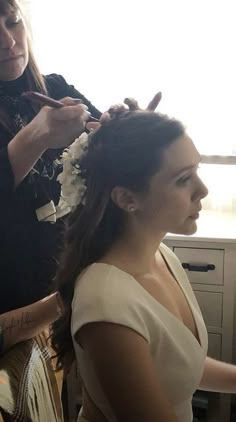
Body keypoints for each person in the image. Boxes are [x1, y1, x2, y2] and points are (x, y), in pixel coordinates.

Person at [52, 108, 236, 422]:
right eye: (183, 179)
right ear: (126, 199)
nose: (202, 190)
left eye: (197, 170)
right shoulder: (106, 303)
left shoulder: (162, 256)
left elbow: (176, 366)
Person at [0, 0, 101, 344]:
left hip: (61, 281)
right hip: (9, 302)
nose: (8, 41)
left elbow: (102, 136)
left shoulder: (54, 88)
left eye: (13, 23)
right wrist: (37, 135)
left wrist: (118, 123)